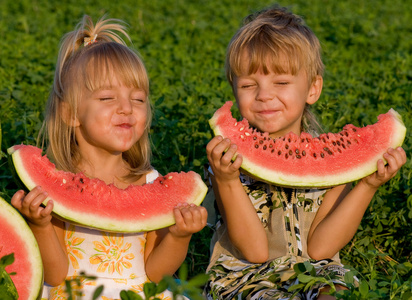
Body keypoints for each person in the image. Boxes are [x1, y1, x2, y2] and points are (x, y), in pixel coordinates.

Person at [204, 5, 406, 300]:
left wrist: (367, 184)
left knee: (334, 292)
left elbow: (322, 248)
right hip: (245, 278)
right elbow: (255, 251)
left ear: (313, 89)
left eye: (282, 82)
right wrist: (226, 180)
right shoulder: (227, 159)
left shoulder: (335, 159)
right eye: (249, 85)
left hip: (317, 273)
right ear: (234, 89)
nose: (264, 95)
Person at [11, 15, 207, 299]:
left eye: (138, 99)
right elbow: (54, 275)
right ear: (71, 114)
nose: (126, 108)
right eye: (107, 99)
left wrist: (180, 235)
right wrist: (39, 225)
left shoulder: (151, 182)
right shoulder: (56, 186)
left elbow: (155, 272)